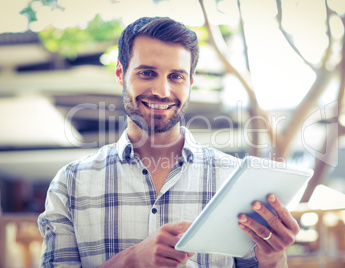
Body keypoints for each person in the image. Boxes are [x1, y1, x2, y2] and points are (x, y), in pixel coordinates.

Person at [38, 16, 299, 267]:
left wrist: (273, 258)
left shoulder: (234, 180)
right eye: (147, 73)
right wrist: (131, 262)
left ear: (190, 82)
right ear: (120, 73)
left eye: (176, 76)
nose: (162, 91)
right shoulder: (70, 184)